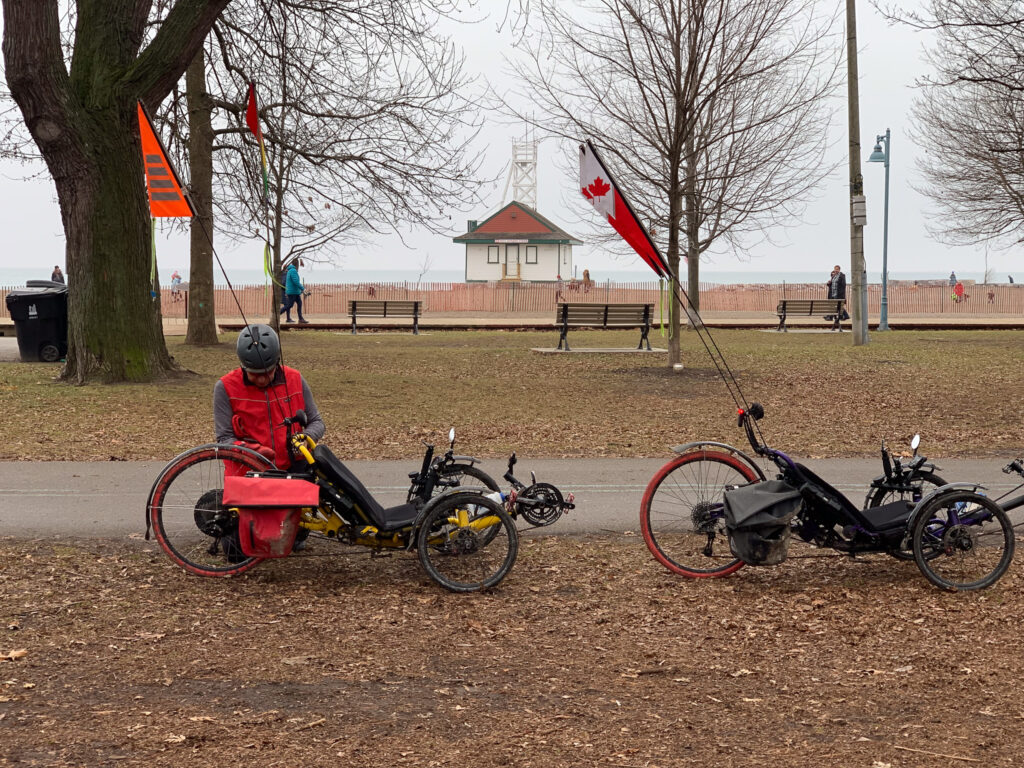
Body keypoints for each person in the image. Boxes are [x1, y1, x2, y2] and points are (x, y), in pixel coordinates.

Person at [214, 324, 325, 551]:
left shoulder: (295, 379)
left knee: (291, 542)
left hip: (291, 471)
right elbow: (224, 439)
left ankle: (295, 526)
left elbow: (317, 422)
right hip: (250, 475)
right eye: (254, 374)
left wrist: (306, 437)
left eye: (267, 373)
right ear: (243, 366)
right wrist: (254, 452)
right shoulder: (225, 387)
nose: (262, 380)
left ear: (277, 363)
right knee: (236, 551)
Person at [280, 259, 308, 324]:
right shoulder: (293, 271)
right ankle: (278, 313)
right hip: (292, 292)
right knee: (289, 305)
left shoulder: (290, 270)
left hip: (295, 291)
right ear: (297, 264)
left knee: (299, 303)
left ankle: (301, 319)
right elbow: (296, 281)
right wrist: (303, 289)